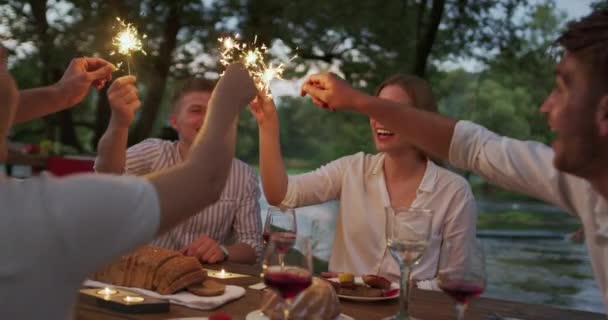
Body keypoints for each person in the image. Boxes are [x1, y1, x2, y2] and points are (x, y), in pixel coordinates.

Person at [300, 10, 608, 310]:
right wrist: (357, 101)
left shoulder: (455, 190)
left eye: (562, 88)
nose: (545, 106)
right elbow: (474, 146)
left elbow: (455, 276)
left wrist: (359, 101)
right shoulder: (583, 185)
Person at [0, 55, 257, 319]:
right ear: (174, 121)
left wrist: (60, 94)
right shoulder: (44, 214)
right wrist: (228, 100)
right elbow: (205, 180)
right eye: (1, 64)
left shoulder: (30, 210)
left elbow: (251, 243)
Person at [251, 74, 477, 283]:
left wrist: (386, 289)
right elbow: (280, 195)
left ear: (420, 119)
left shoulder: (454, 192)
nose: (379, 119)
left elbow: (452, 284)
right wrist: (267, 124)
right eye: (377, 109)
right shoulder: (351, 169)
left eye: (393, 110)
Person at [95, 77, 263, 264]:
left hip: (203, 280)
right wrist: (119, 122)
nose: (209, 118)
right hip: (144, 273)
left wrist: (223, 250)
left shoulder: (244, 175)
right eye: (196, 110)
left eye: (216, 111)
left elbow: (253, 246)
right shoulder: (154, 153)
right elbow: (106, 174)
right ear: (175, 122)